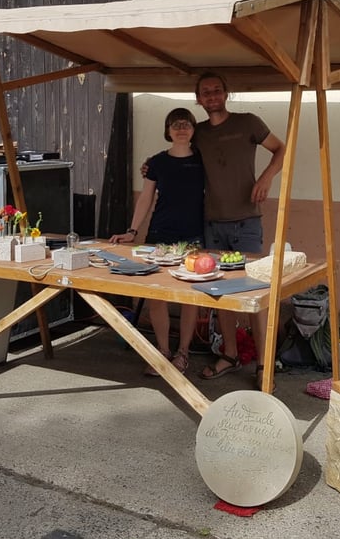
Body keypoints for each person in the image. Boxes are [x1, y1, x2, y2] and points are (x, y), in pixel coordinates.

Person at [191, 71, 285, 380]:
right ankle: (230, 354)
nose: (212, 96)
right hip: (212, 223)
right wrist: (151, 167)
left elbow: (280, 149)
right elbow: (180, 161)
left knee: (255, 292)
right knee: (221, 292)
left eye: (217, 90)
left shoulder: (248, 122)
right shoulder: (197, 132)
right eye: (206, 92)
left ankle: (262, 363)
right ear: (199, 99)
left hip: (246, 222)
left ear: (226, 93)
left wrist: (266, 178)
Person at [110, 107, 205, 376]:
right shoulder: (157, 163)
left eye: (186, 124)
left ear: (194, 129)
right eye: (175, 124)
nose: (181, 128)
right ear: (168, 130)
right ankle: (162, 352)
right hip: (159, 237)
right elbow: (146, 198)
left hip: (193, 237)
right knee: (157, 296)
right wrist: (132, 230)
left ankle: (183, 353)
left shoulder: (203, 160)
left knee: (190, 298)